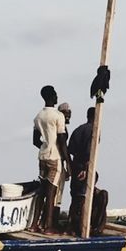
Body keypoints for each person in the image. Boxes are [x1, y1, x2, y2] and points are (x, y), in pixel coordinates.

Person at [31, 85, 70, 233]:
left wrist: (45, 145)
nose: (57, 97)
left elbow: (35, 141)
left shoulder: (38, 116)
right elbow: (61, 141)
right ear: (51, 96)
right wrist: (67, 162)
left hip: (42, 156)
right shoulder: (58, 116)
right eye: (55, 94)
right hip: (55, 157)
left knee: (42, 191)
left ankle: (35, 224)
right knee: (51, 192)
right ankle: (48, 226)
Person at [68, 106, 96, 233]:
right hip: (84, 166)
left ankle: (70, 225)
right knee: (82, 197)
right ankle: (79, 227)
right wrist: (86, 168)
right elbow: (89, 151)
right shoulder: (93, 131)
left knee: (75, 197)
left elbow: (70, 149)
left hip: (75, 164)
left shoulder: (78, 130)